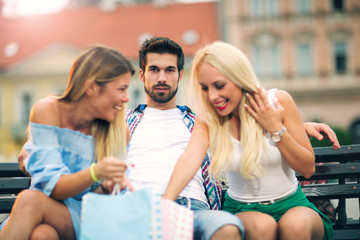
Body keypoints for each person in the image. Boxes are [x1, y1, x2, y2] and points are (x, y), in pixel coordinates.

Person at [14, 38, 339, 240]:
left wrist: (297, 124)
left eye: (170, 70)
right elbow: (68, 133)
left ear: (181, 76)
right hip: (136, 206)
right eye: (153, 69)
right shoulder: (122, 120)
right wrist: (32, 151)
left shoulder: (201, 119)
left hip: (194, 208)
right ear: (141, 74)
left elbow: (244, 121)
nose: (161, 77)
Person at [163, 41, 333, 240]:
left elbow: (307, 168)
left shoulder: (279, 101)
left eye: (219, 86)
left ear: (239, 78)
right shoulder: (208, 119)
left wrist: (275, 128)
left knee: (295, 226)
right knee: (262, 226)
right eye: (205, 88)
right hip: (241, 209)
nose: (212, 96)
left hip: (292, 203)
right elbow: (190, 158)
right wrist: (165, 203)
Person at [0, 44, 135, 240]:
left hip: (88, 217)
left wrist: (107, 184)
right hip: (47, 208)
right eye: (121, 89)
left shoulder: (118, 130)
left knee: (29, 200)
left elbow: (111, 197)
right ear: (91, 88)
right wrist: (96, 173)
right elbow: (50, 185)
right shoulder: (48, 110)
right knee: (42, 235)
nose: (126, 98)